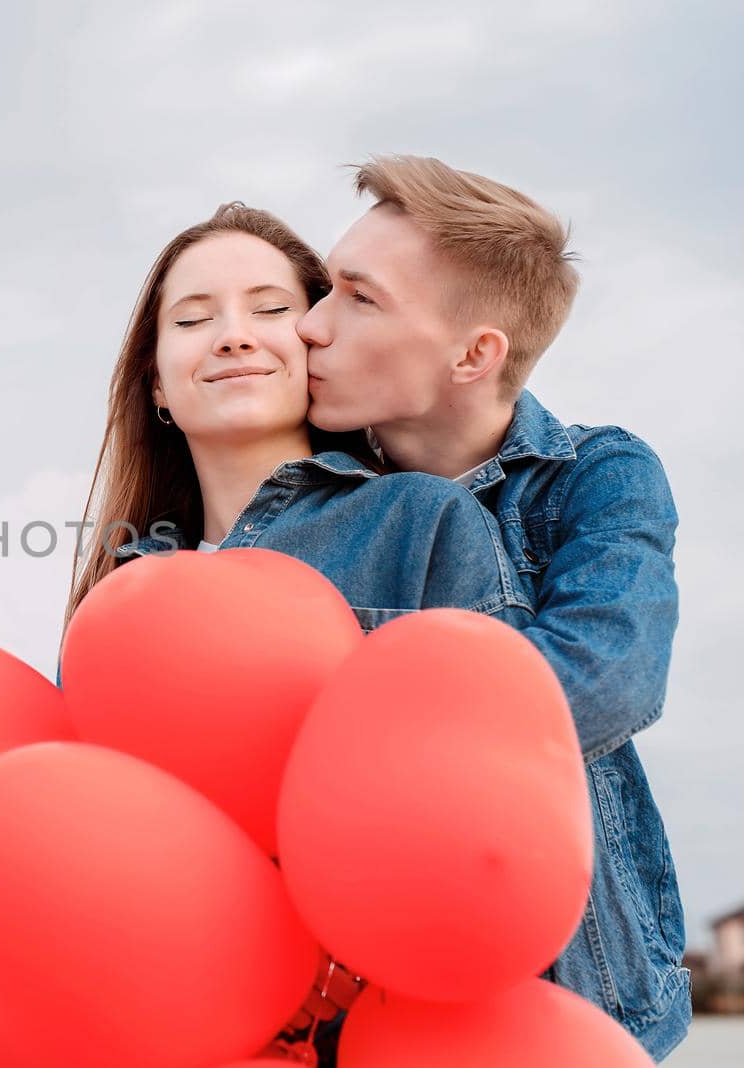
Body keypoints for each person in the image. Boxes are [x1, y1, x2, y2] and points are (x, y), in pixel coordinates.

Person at [54, 201, 533, 1063]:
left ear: (318, 351)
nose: (234, 336)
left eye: (272, 310)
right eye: (193, 319)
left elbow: (497, 808)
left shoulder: (421, 523)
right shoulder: (117, 599)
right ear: (157, 384)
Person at [298, 154, 688, 1061]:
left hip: (583, 1002)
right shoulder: (302, 489)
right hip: (353, 1014)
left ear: (475, 355)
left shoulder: (598, 475)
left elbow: (609, 675)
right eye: (325, 287)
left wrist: (358, 737)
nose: (312, 327)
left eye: (360, 298)